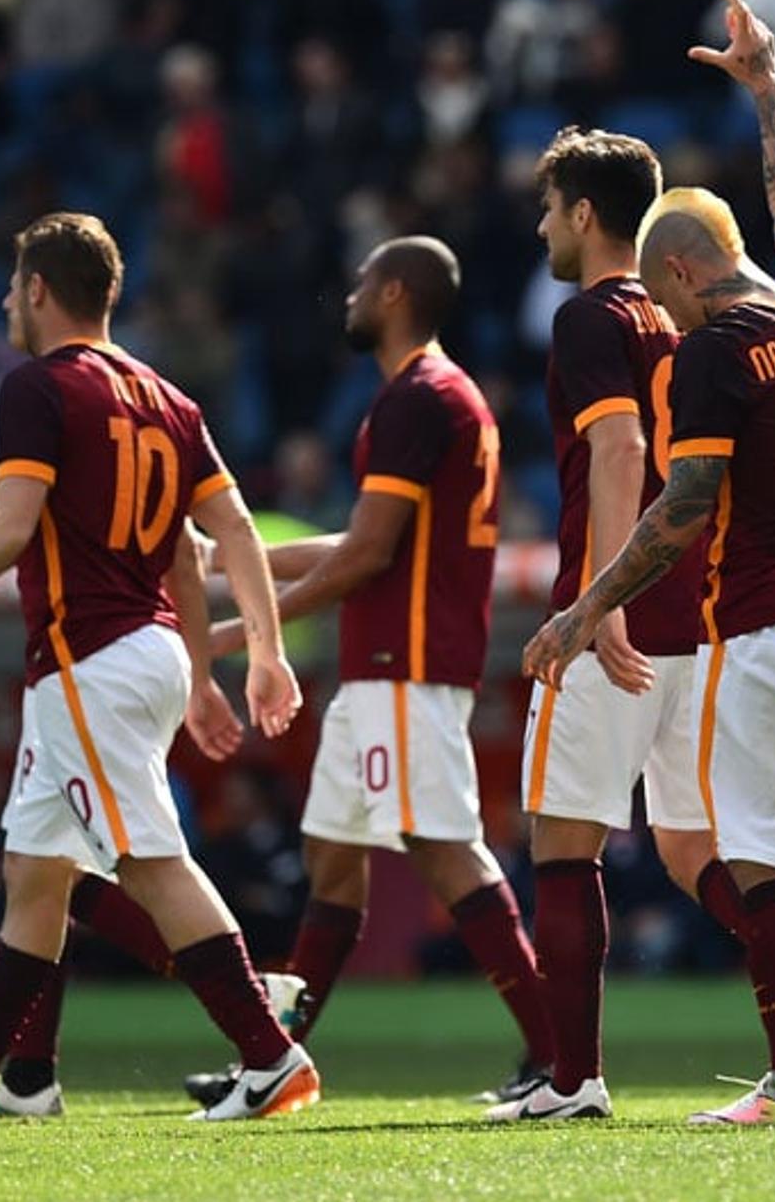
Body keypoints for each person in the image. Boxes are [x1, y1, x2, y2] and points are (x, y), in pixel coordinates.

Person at [524, 0, 775, 1127]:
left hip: (768, 623)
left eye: (662, 298)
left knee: (765, 858)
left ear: (677, 273)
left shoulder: (710, 356)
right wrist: (771, 92)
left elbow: (683, 505)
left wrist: (588, 608)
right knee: (761, 843)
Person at [0, 212, 317, 1123]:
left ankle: (271, 1053)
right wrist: (246, 656)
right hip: (135, 652)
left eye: (10, 286)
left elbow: (9, 526)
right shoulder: (165, 396)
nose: (2, 301)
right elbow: (216, 540)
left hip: (92, 658)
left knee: (150, 862)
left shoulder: (38, 387)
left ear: (38, 288)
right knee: (38, 870)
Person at [181, 236, 554, 1112]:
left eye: (359, 284)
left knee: (439, 843)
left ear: (393, 293)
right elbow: (363, 543)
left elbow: (367, 558)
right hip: (386, 664)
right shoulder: (435, 396)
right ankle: (277, 1063)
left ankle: (558, 1050)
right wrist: (228, 566)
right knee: (332, 859)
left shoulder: (419, 398)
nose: (348, 296)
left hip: (406, 660)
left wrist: (241, 628)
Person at [485, 126, 746, 1122]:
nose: (543, 225)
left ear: (586, 214)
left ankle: (572, 1077)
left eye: (550, 208)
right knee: (699, 849)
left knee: (563, 843)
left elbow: (621, 445)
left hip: (622, 610)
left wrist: (600, 600)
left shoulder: (590, 315)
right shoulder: (679, 314)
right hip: (701, 605)